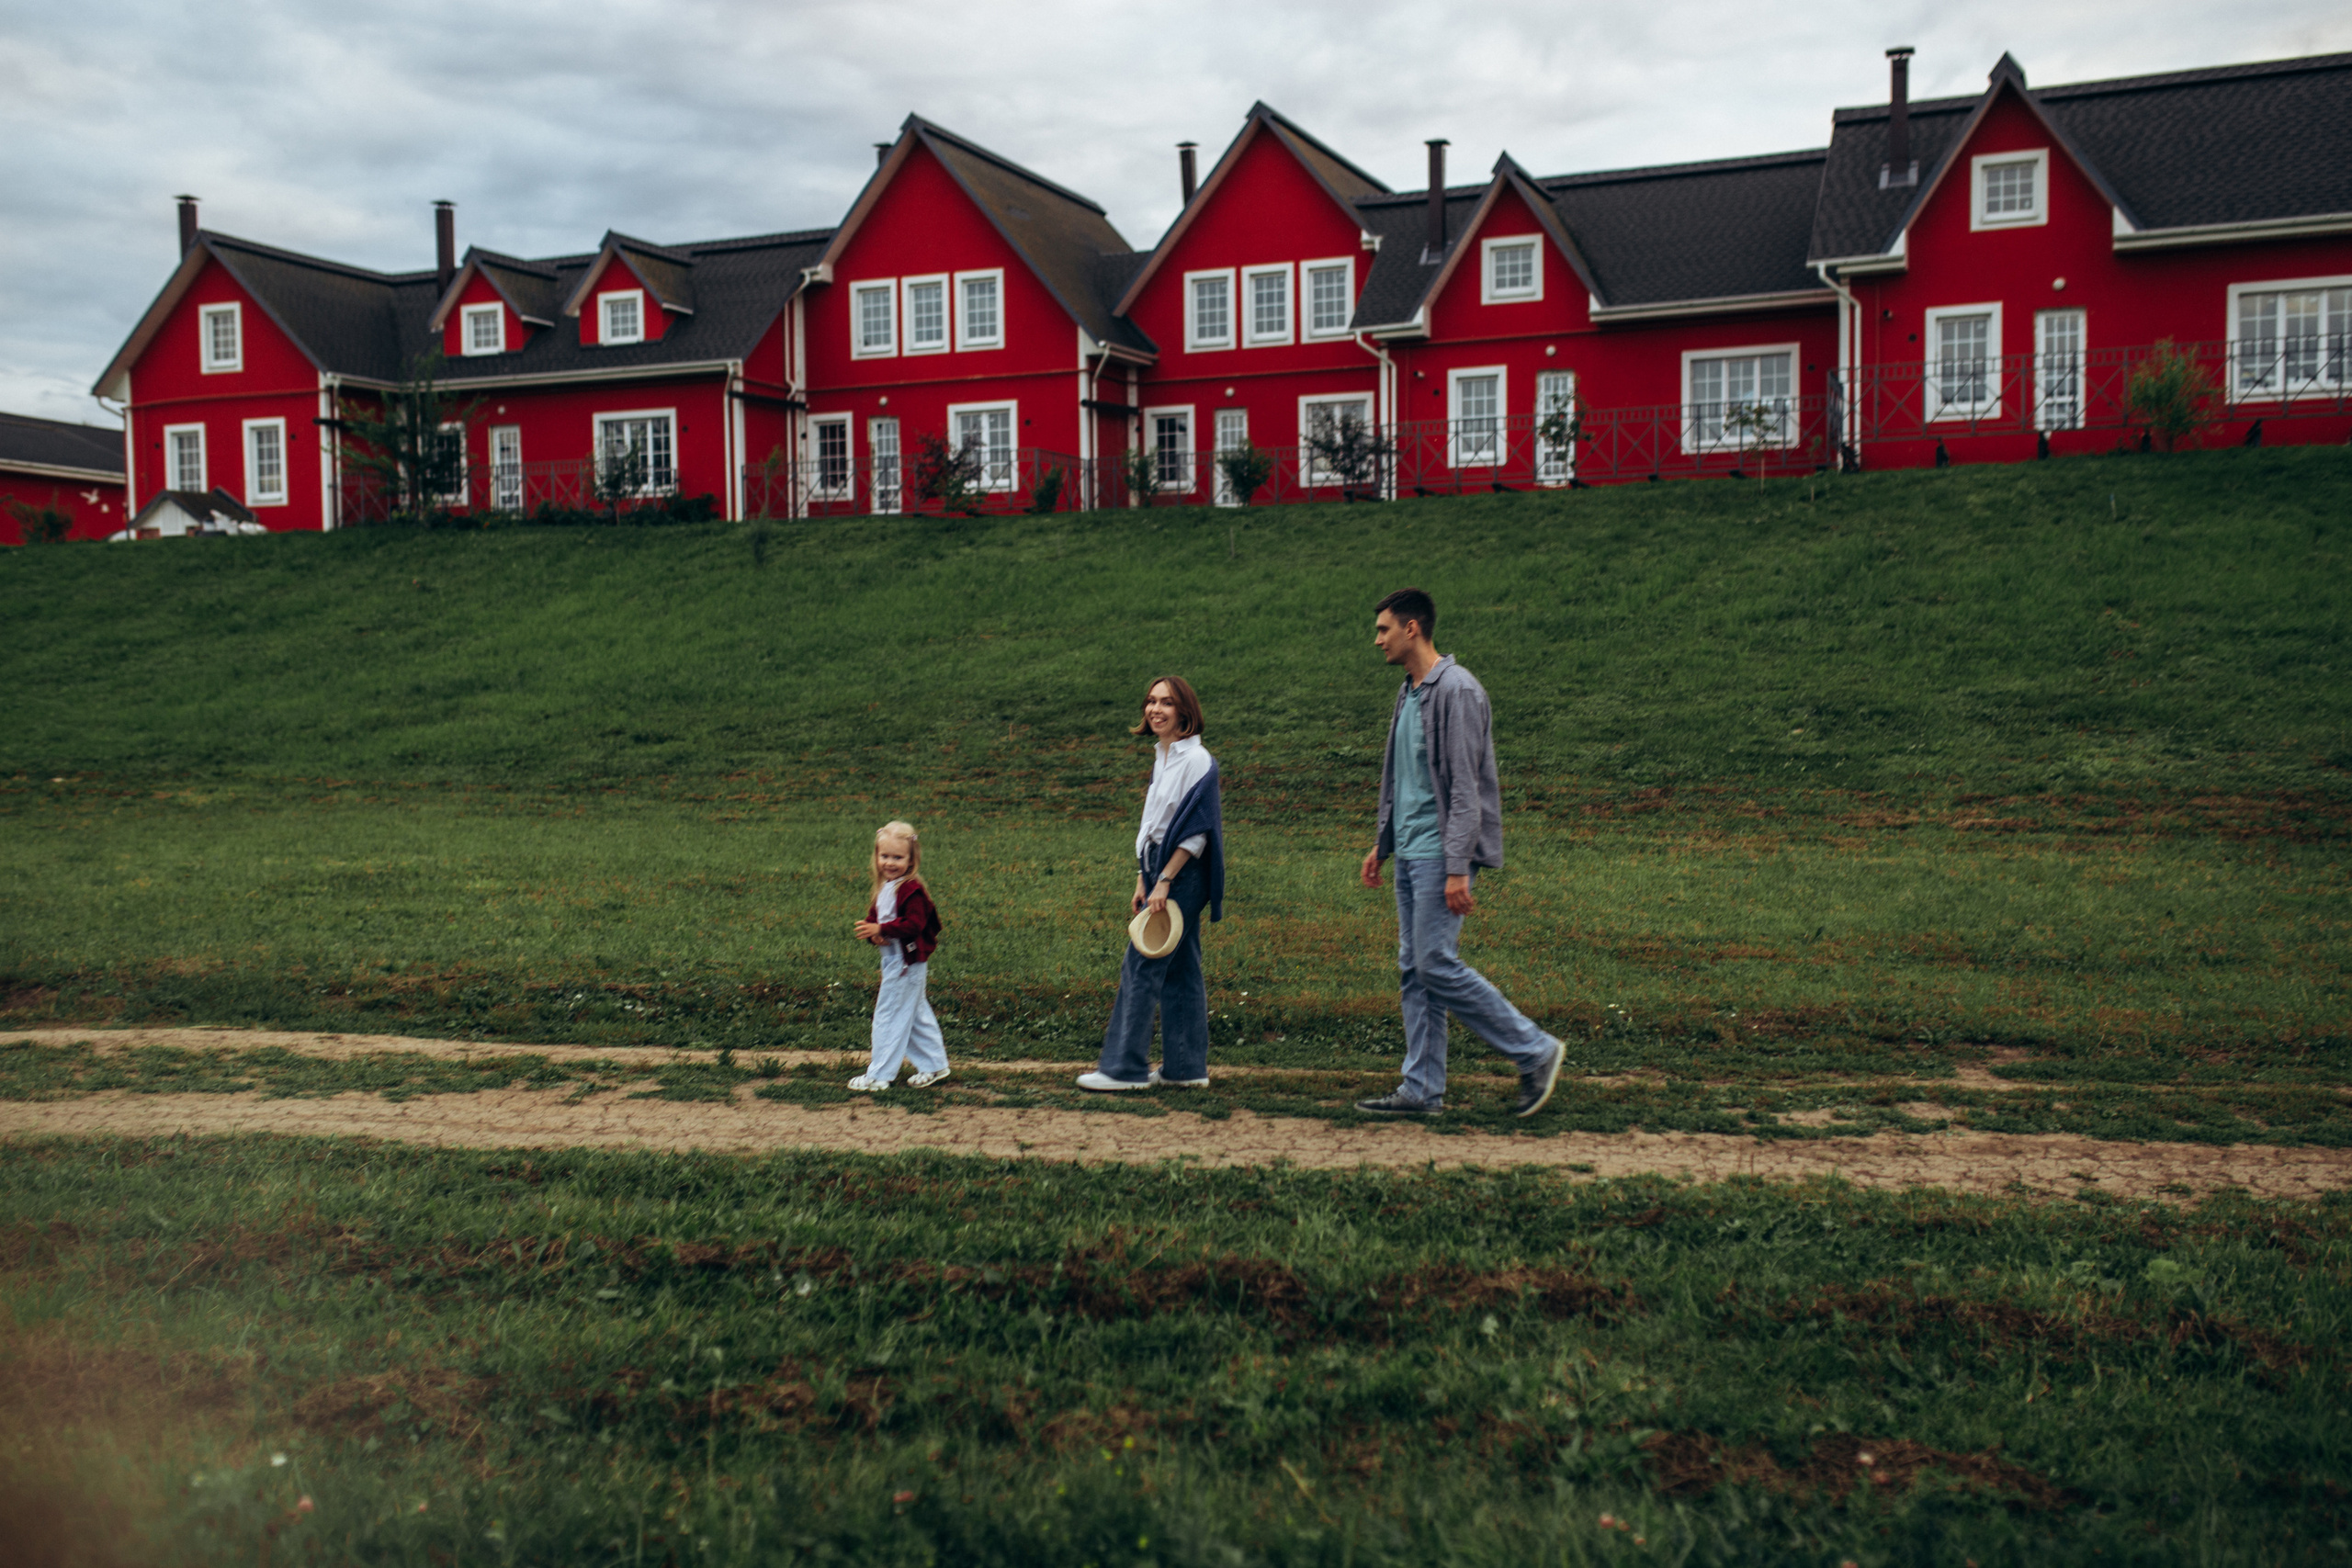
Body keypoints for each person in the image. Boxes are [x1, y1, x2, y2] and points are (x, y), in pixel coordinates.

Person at [1355, 588, 1566, 1117]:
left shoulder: (1459, 691)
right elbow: (1405, 777)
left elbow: (1468, 789)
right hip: (1410, 851)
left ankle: (1535, 1050)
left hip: (1440, 854)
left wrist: (1457, 868)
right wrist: (1383, 842)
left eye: (1383, 629)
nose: (1377, 640)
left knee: (1434, 964)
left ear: (1411, 629)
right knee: (1415, 969)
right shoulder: (1409, 692)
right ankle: (1421, 1089)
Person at [1078, 676, 1226, 1092]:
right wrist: (1142, 876)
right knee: (1181, 968)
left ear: (1185, 711)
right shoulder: (1164, 755)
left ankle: (1123, 1069)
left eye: (1166, 703)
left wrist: (1164, 880)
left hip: (1181, 872)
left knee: (1141, 964)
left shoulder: (1197, 760)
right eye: (1151, 701)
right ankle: (1185, 1068)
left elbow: (1197, 833)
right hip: (1158, 868)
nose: (1155, 709)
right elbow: (1154, 824)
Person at [848, 819, 949, 1093]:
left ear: (911, 859)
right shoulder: (886, 887)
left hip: (908, 963)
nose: (890, 863)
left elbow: (914, 925)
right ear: (876, 856)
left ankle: (879, 1075)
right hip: (895, 961)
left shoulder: (911, 890)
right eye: (885, 856)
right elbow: (875, 918)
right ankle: (935, 1065)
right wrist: (873, 933)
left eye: (897, 857)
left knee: (889, 1015)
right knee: (914, 1014)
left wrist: (883, 929)